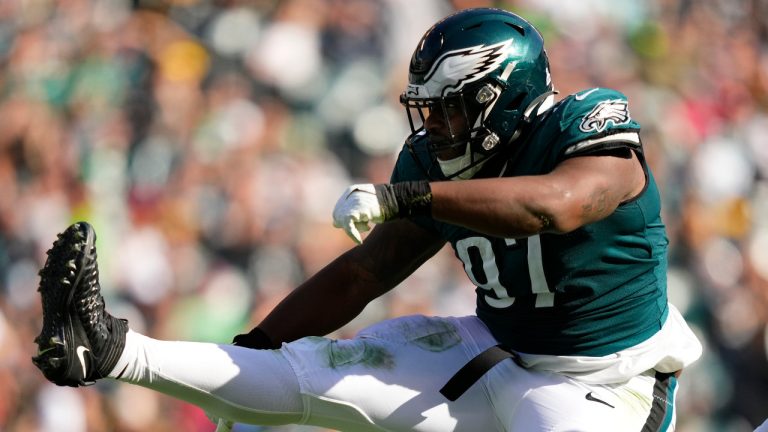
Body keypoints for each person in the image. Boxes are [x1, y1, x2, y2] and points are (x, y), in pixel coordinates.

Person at [32, 7, 703, 432]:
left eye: (450, 108)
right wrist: (252, 351)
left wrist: (408, 197)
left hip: (603, 385)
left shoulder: (585, 127)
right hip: (493, 349)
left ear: (502, 99)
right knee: (318, 370)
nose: (433, 126)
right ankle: (108, 348)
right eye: (427, 109)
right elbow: (364, 273)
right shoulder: (435, 160)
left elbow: (556, 205)